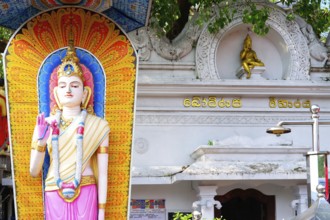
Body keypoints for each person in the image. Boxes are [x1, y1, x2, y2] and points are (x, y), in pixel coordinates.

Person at [29, 40, 110, 220]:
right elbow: (34, 172)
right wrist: (41, 143)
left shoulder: (99, 126)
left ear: (85, 94)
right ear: (56, 93)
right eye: (63, 85)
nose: (68, 90)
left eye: (74, 86)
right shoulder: (45, 124)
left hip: (86, 189)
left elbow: (103, 173)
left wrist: (102, 212)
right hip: (53, 189)